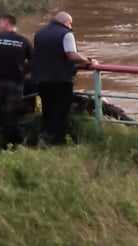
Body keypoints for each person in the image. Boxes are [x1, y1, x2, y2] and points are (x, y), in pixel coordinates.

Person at [32, 10, 94, 146]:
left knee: (47, 110)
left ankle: (44, 139)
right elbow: (71, 54)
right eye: (70, 24)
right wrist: (88, 61)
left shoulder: (39, 33)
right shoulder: (66, 33)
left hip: (42, 80)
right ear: (66, 22)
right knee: (61, 111)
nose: (71, 27)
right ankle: (57, 141)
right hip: (61, 80)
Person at [0, 12, 32, 147]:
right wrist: (23, 72)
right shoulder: (24, 40)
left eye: (0, 22)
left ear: (7, 23)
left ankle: (6, 140)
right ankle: (14, 142)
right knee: (11, 113)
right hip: (16, 83)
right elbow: (33, 62)